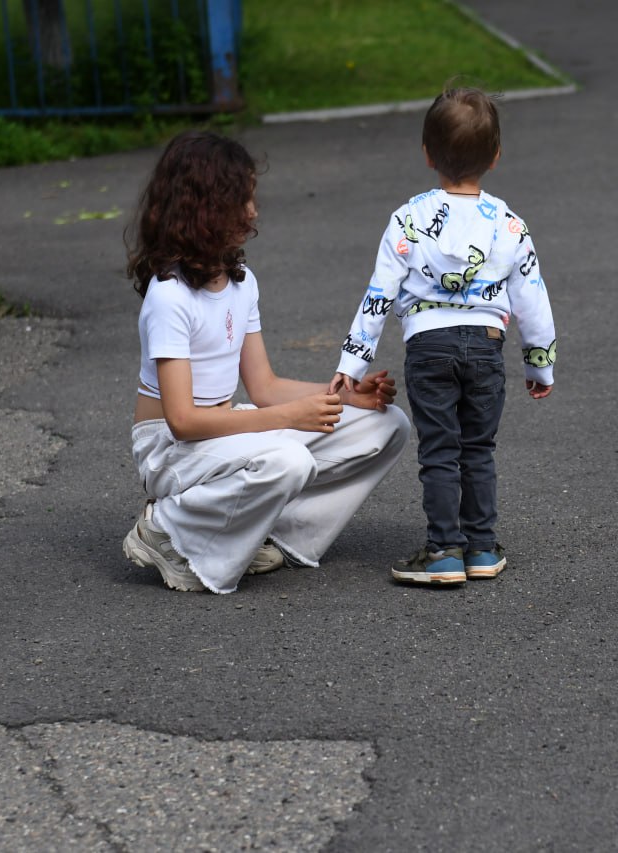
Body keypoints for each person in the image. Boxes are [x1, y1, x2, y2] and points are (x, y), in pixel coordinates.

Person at [123, 130, 410, 594]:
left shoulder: (241, 282)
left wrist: (345, 395)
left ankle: (272, 533)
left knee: (387, 425)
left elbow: (264, 386)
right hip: (169, 450)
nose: (254, 211)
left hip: (222, 429)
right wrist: (286, 419)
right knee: (289, 460)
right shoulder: (169, 297)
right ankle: (168, 530)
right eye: (242, 199)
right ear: (204, 207)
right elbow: (181, 422)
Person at [329, 86, 557, 586]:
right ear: (495, 157)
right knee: (478, 448)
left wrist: (353, 364)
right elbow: (532, 298)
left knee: (439, 451)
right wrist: (539, 364)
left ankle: (443, 551)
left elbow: (379, 295)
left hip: (428, 348)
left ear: (427, 154)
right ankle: (481, 546)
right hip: (486, 346)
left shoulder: (408, 219)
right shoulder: (511, 225)